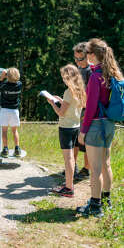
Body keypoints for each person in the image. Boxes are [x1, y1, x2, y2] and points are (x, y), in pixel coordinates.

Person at [77, 38, 123, 217]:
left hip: (96, 125)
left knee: (95, 169)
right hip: (110, 124)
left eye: (87, 52)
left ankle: (95, 207)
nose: (85, 56)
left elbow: (90, 107)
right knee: (106, 165)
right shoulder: (113, 75)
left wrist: (83, 130)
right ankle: (106, 201)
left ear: (94, 55)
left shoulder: (96, 77)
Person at [47, 64, 86, 197]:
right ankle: (69, 183)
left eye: (64, 77)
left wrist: (53, 103)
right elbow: (73, 107)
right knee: (72, 158)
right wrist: (61, 100)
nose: (63, 79)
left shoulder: (68, 91)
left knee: (68, 159)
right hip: (76, 126)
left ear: (68, 78)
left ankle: (69, 187)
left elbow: (61, 113)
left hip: (66, 128)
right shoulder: (80, 90)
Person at [72, 42, 92, 180]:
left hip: (86, 111)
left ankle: (86, 169)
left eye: (81, 59)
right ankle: (72, 166)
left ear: (88, 56)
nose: (78, 62)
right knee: (74, 139)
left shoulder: (91, 72)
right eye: (76, 59)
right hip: (76, 109)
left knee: (85, 141)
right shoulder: (78, 70)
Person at [0, 68, 22, 158]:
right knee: (14, 131)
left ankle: (5, 149)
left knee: (4, 131)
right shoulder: (19, 84)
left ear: (8, 76)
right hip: (15, 110)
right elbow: (14, 81)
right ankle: (17, 149)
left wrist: (2, 77)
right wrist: (7, 76)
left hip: (5, 110)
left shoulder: (4, 85)